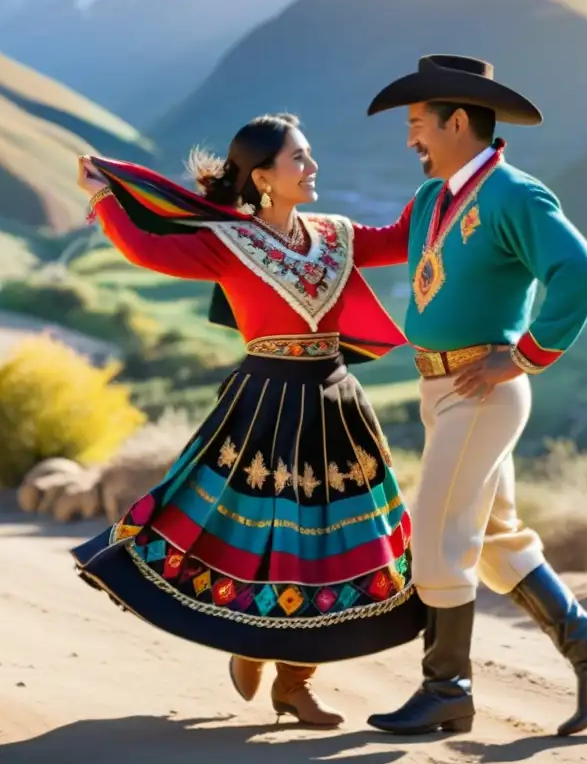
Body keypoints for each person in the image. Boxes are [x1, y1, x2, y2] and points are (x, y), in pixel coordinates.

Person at [70, 112, 425, 728]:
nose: (313, 168)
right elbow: (149, 249)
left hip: (336, 404)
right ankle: (252, 638)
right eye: (299, 159)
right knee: (272, 539)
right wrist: (103, 196)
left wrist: (447, 185)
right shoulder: (229, 241)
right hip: (264, 408)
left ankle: (295, 683)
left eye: (310, 156)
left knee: (335, 546)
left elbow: (399, 239)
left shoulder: (336, 235)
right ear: (263, 177)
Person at [353, 55, 587, 736]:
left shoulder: (517, 195)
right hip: (445, 391)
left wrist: (523, 356)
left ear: (458, 122)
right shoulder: (433, 198)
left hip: (481, 391)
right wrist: (294, 231)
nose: (410, 139)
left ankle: (447, 690)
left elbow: (582, 274)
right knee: (492, 537)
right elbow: (387, 243)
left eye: (417, 123)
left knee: (437, 532)